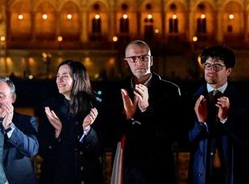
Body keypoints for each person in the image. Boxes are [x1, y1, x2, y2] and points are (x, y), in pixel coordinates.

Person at [110, 40, 182, 184]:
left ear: (151, 60)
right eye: (133, 58)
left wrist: (147, 110)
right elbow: (110, 132)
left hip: (158, 170)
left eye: (144, 57)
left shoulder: (170, 90)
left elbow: (173, 134)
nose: (139, 62)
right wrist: (128, 118)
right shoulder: (116, 90)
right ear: (126, 62)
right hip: (127, 168)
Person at [188, 45, 248, 184]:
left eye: (217, 66)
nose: (210, 70)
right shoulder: (191, 98)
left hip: (234, 174)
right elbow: (184, 138)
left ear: (229, 71)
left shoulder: (242, 100)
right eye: (207, 65)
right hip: (201, 175)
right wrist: (200, 122)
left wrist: (226, 119)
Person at [38, 60, 102, 184]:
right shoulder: (51, 108)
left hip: (86, 177)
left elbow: (99, 149)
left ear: (78, 79)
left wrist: (87, 130)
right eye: (58, 76)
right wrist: (57, 132)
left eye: (64, 76)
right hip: (57, 177)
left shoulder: (94, 106)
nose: (59, 80)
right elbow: (43, 151)